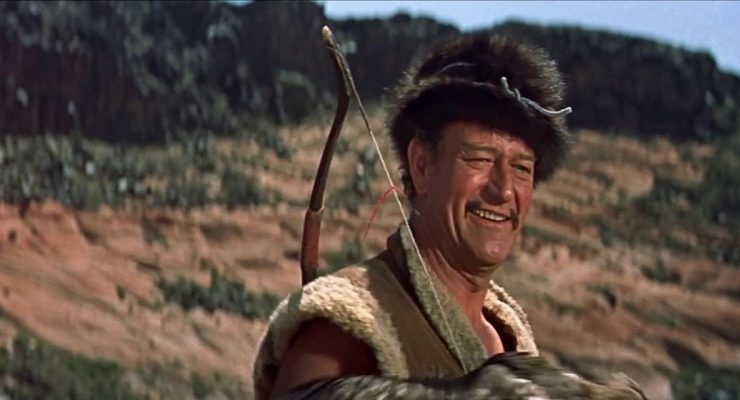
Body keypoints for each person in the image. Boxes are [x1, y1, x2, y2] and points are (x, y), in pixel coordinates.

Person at [252, 34, 645, 399]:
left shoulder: (509, 333)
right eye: (480, 159)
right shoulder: (348, 322)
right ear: (422, 166)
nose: (503, 190)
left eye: (521, 168)